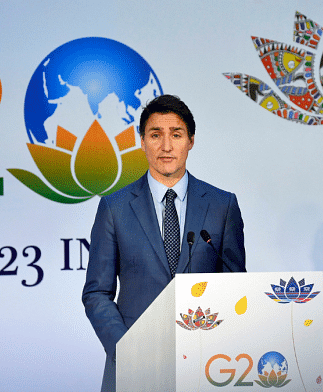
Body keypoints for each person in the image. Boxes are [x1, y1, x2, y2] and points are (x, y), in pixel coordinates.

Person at [81, 94, 246, 391]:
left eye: (176, 135)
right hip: (133, 369)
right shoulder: (114, 207)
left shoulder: (223, 206)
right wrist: (127, 350)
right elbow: (96, 293)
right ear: (142, 141)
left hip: (206, 367)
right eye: (156, 135)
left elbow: (235, 289)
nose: (166, 146)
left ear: (191, 141)